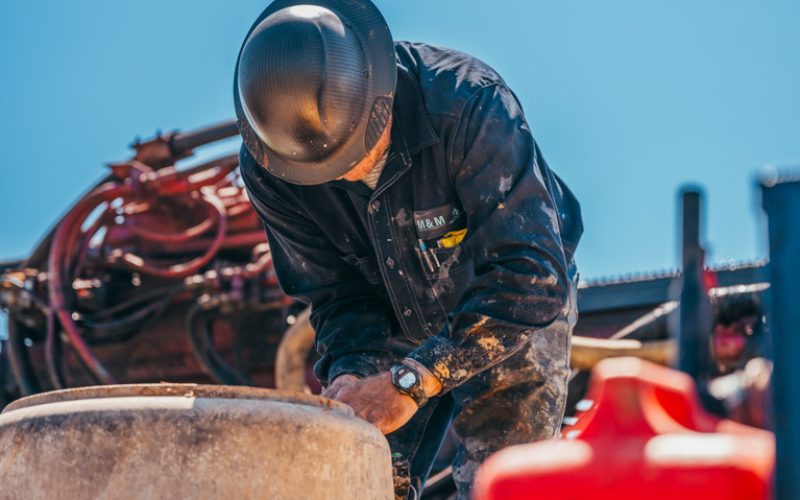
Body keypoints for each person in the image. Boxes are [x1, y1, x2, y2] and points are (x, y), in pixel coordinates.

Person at [234, 1, 583, 498]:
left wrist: (413, 380)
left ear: (380, 96)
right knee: (362, 476)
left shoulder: (467, 105)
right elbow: (336, 294)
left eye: (355, 154)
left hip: (502, 305)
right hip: (389, 311)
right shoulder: (273, 169)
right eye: (325, 171)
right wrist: (353, 372)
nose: (345, 175)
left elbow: (531, 276)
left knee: (500, 481)